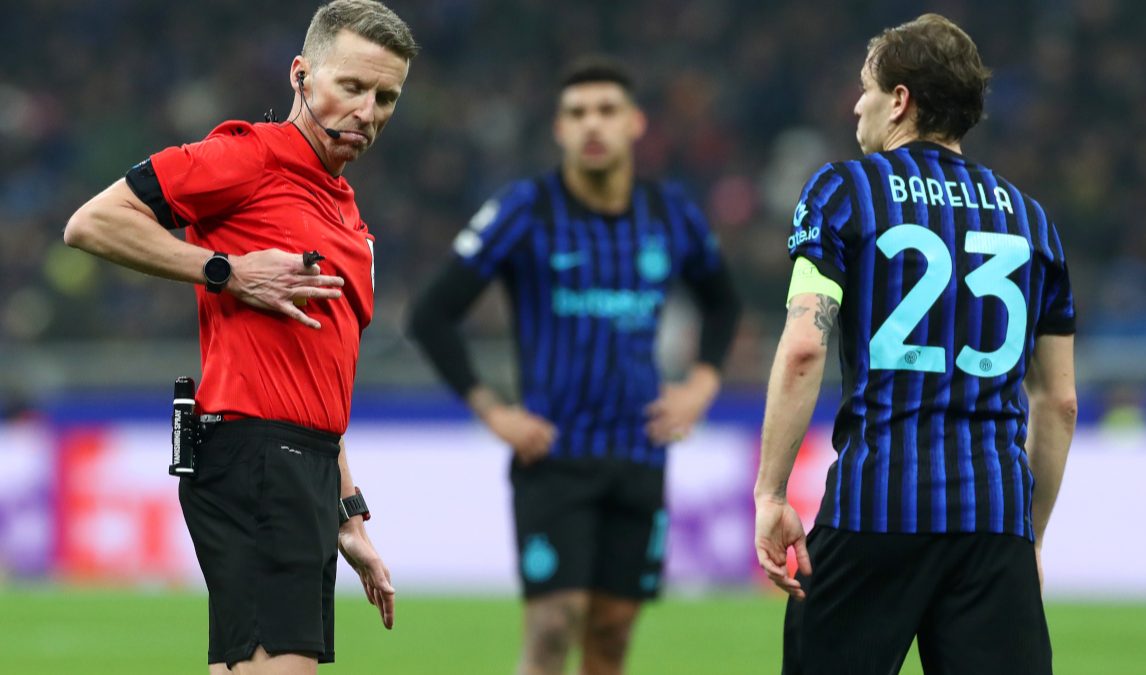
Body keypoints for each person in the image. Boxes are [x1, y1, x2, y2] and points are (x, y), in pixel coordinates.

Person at [63, 2, 418, 672]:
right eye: (351, 86)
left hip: (303, 466)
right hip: (256, 455)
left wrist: (350, 516)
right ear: (302, 76)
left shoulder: (350, 222)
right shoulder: (247, 157)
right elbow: (92, 222)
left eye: (386, 97)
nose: (367, 111)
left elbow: (322, 377)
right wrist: (226, 270)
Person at [753, 14, 1077, 675]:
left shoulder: (844, 191)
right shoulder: (1031, 219)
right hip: (993, 519)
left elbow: (804, 348)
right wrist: (1029, 536)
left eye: (866, 87)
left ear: (900, 99)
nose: (856, 104)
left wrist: (770, 492)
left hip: (876, 502)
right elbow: (1060, 400)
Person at [408, 57, 741, 675]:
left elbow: (724, 301)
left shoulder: (670, 212)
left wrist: (701, 384)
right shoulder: (526, 209)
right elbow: (431, 315)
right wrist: (493, 411)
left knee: (612, 634)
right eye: (577, 112)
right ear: (559, 129)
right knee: (554, 623)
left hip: (640, 452)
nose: (593, 124)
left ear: (636, 124)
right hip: (553, 455)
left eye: (607, 110)